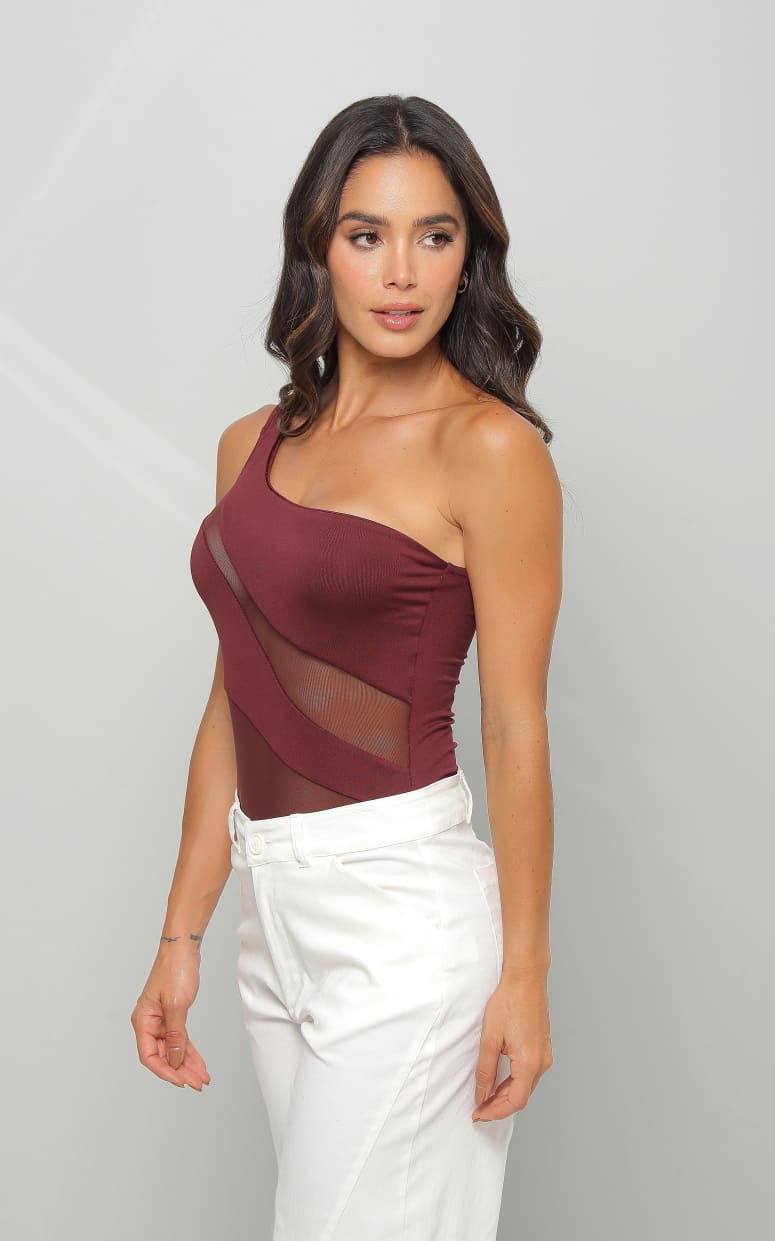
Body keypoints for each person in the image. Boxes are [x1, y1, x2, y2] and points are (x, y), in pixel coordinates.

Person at [131, 93, 562, 1241]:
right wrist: (181, 934)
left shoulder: (488, 449)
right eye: (367, 234)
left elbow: (515, 725)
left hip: (403, 915)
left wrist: (525, 973)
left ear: (470, 254)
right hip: (273, 914)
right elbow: (235, 695)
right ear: (318, 245)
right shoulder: (251, 442)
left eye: (435, 234)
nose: (401, 271)